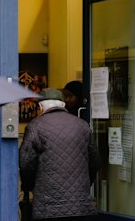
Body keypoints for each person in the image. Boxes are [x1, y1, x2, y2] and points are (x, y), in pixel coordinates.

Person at [20, 88, 99, 221]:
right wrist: (84, 184)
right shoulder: (83, 125)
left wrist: (30, 187)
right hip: (79, 204)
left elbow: (26, 163)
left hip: (48, 205)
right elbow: (95, 161)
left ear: (40, 107)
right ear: (63, 105)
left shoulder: (35, 126)